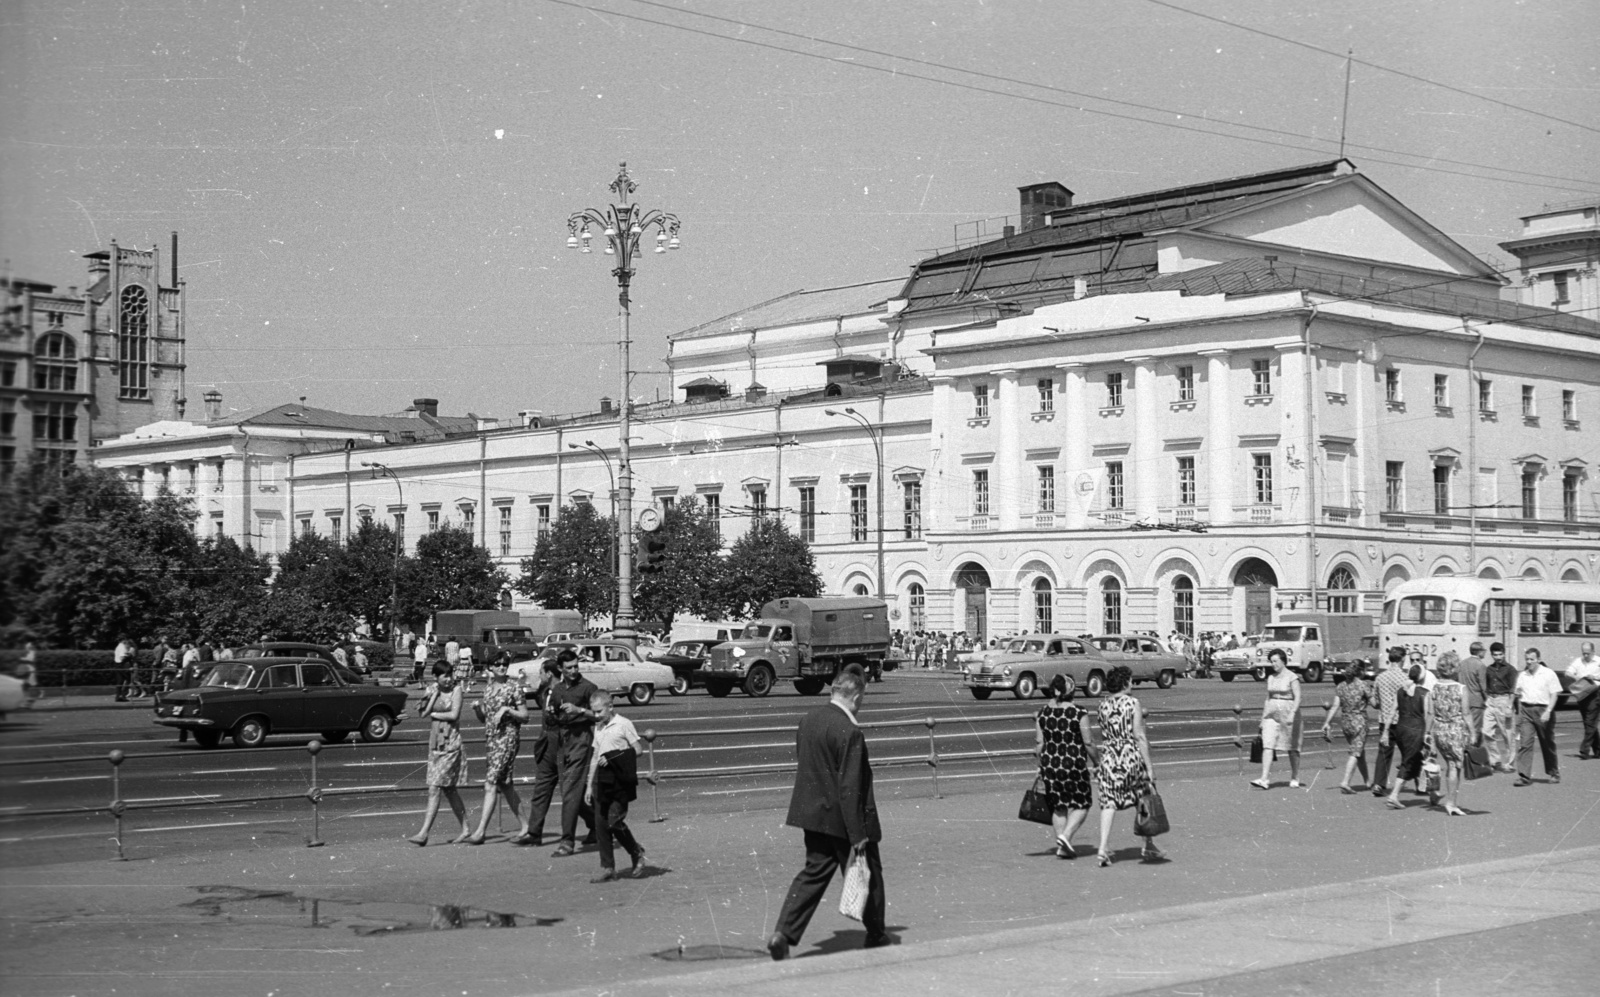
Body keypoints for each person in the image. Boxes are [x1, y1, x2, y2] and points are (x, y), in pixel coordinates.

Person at [767, 667, 887, 960]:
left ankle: (783, 932)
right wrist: (857, 833)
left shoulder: (808, 720)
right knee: (867, 873)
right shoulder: (851, 731)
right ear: (856, 696)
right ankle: (875, 932)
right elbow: (850, 786)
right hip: (844, 819)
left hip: (812, 813)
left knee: (814, 873)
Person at [524, 650, 599, 854]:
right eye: (569, 668)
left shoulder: (589, 688)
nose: (574, 671)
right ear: (561, 669)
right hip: (561, 744)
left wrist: (580, 711)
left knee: (570, 793)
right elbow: (555, 718)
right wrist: (551, 714)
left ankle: (567, 842)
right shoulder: (556, 690)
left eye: (576, 666)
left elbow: (602, 715)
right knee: (570, 792)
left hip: (581, 743)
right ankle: (599, 826)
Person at [1092, 665, 1162, 866]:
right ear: (1124, 683)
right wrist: (1149, 766)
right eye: (1130, 680)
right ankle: (1148, 844)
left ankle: (1103, 847)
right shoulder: (1132, 703)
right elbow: (1139, 735)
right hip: (1129, 756)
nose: (1132, 684)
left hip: (1109, 757)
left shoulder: (1103, 705)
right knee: (1143, 797)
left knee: (1108, 801)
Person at [463, 656, 533, 845]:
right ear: (490, 667)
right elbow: (486, 718)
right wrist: (478, 710)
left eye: (504, 664)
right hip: (492, 740)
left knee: (491, 782)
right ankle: (526, 827)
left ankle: (480, 831)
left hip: (507, 738)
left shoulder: (514, 687)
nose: (502, 667)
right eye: (497, 664)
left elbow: (525, 716)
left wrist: (507, 710)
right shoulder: (488, 689)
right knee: (505, 784)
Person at [583, 690, 647, 882]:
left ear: (610, 707)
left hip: (620, 780)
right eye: (593, 712)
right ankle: (608, 867)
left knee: (614, 821)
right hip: (602, 781)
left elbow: (637, 750)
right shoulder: (598, 727)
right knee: (601, 825)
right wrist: (588, 786)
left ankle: (636, 851)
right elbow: (595, 756)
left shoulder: (623, 724)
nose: (596, 716)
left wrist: (613, 757)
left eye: (599, 711)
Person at [408, 663, 470, 845]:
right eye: (444, 675)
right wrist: (434, 695)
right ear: (435, 676)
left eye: (449, 675)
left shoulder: (457, 690)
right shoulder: (432, 690)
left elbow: (454, 715)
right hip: (435, 744)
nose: (448, 679)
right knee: (449, 790)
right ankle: (466, 829)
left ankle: (424, 833)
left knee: (434, 788)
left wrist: (434, 714)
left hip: (450, 744)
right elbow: (421, 713)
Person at [1034, 674, 1094, 858]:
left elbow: (1038, 744)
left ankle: (1062, 846)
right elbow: (1089, 743)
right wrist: (1098, 762)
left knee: (1058, 806)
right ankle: (1066, 837)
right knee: (1082, 803)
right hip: (1074, 764)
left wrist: (1039, 766)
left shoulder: (1042, 713)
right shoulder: (1079, 713)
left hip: (1050, 765)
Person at [1250, 648, 1303, 789]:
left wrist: (1293, 712)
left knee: (1292, 747)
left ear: (1283, 661)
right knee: (1268, 744)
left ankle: (1295, 776)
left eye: (1276, 661)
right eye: (1271, 661)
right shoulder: (1271, 677)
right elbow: (1268, 698)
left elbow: (1298, 697)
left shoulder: (1292, 677)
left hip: (1288, 713)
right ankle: (1264, 779)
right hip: (1271, 714)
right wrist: (1263, 718)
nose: (1273, 664)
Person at [1426, 652, 1470, 815]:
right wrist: (1473, 732)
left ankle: (1448, 800)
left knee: (1448, 764)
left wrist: (1427, 733)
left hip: (1439, 731)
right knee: (1454, 766)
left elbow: (1430, 713)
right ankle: (1451, 803)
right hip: (1455, 731)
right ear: (1454, 669)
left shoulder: (1434, 688)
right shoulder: (1461, 688)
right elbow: (1466, 713)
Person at [1383, 665, 1431, 810]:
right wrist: (1428, 734)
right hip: (1416, 730)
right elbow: (1428, 715)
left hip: (1401, 729)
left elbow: (1392, 712)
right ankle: (1394, 795)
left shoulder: (1400, 691)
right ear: (1422, 677)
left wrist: (1385, 731)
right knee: (1409, 762)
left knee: (1417, 760)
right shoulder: (1425, 693)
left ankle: (1433, 793)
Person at [1513, 648, 1563, 786]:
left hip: (1543, 710)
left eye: (1532, 659)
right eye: (1527, 659)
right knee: (1525, 743)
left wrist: (1548, 711)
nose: (1529, 662)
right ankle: (1524, 776)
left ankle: (1554, 772)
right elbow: (1518, 693)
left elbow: (1554, 694)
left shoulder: (1548, 673)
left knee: (1547, 743)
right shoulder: (1523, 675)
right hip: (1526, 711)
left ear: (1538, 659)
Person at [1322, 660, 1374, 793]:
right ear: (1361, 671)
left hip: (1346, 723)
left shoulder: (1341, 686)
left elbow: (1335, 706)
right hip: (1359, 722)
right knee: (1355, 752)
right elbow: (1375, 704)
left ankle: (1367, 781)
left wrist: (1327, 722)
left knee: (1359, 752)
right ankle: (1345, 782)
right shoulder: (1363, 685)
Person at [1370, 646, 1410, 797]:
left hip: (1384, 720)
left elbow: (1375, 701)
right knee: (1408, 752)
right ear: (1403, 659)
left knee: (1384, 752)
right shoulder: (1405, 679)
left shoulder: (1380, 677)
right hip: (1401, 720)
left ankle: (1379, 784)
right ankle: (1417, 782)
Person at [1482, 642, 1519, 772]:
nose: (1498, 657)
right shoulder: (1489, 669)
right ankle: (1495, 760)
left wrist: (1510, 704)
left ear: (1504, 653)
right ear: (1491, 655)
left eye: (1500, 654)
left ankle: (1509, 763)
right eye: (1495, 654)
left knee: (1507, 734)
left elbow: (1513, 689)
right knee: (1486, 731)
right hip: (1491, 700)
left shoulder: (1510, 669)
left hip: (1505, 700)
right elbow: (1487, 686)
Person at [1564, 641, 1600, 759]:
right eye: (1584, 653)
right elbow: (1568, 672)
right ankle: (1598, 750)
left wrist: (1593, 677)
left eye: (1588, 654)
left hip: (1595, 693)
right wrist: (1577, 677)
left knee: (1590, 721)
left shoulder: (1598, 661)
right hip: (1582, 694)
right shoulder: (1578, 662)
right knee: (1588, 723)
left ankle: (1584, 750)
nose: (1585, 656)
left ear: (1593, 652)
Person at [1459, 641, 1488, 746]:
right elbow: (1483, 686)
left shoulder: (1462, 663)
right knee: (1475, 730)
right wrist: (1488, 700)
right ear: (1479, 652)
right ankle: (1472, 755)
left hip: (1464, 700)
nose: (1485, 652)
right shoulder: (1480, 665)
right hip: (1477, 701)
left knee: (1465, 728)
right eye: (1484, 650)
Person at [113, 636, 138, 701]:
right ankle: (123, 695)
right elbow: (122, 658)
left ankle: (118, 696)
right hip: (123, 665)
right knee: (128, 680)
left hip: (118, 665)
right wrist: (128, 656)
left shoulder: (118, 646)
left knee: (120, 681)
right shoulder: (122, 647)